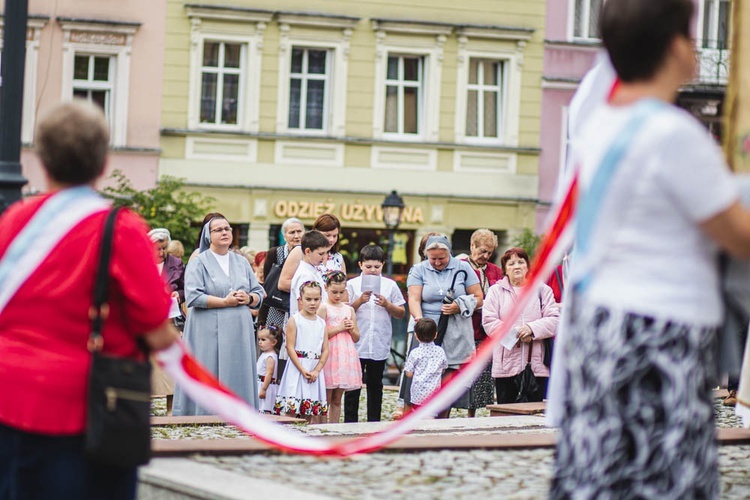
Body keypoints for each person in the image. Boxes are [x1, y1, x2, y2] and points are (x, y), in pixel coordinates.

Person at [548, 0, 750, 495]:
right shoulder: (673, 135)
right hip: (659, 331)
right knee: (665, 476)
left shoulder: (600, 126)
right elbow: (740, 236)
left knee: (606, 473)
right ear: (679, 48)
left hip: (602, 324)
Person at [0, 101, 178, 499]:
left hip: (8, 399)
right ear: (102, 163)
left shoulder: (13, 221)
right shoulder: (121, 228)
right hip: (84, 409)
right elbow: (154, 323)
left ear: (42, 161)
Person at [173, 215, 265, 415]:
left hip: (239, 329)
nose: (224, 232)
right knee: (209, 367)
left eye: (227, 228)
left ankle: (239, 411)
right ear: (208, 235)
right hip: (207, 328)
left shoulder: (241, 262)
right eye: (218, 230)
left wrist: (248, 298)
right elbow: (193, 296)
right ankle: (206, 411)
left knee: (236, 369)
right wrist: (225, 302)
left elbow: (259, 293)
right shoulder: (199, 262)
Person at [407, 235, 482, 418]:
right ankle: (416, 414)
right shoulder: (419, 269)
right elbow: (414, 298)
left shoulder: (463, 267)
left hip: (454, 329)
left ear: (449, 253)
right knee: (421, 373)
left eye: (442, 258)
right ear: (426, 255)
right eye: (433, 259)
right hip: (426, 330)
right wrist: (419, 321)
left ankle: (443, 417)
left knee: (447, 375)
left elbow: (479, 297)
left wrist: (460, 305)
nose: (437, 262)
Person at [481, 247, 559, 404]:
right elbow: (489, 321)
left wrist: (531, 329)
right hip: (506, 364)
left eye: (521, 262)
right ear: (505, 270)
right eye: (511, 264)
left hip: (535, 364)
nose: (516, 266)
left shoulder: (542, 290)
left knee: (533, 413)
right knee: (506, 413)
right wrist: (515, 333)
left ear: (527, 267)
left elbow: (555, 320)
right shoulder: (496, 291)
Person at [345, 244, 406, 422]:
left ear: (382, 265)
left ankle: (373, 421)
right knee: (353, 386)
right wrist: (359, 301)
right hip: (357, 342)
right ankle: (350, 422)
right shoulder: (352, 285)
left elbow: (400, 312)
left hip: (379, 342)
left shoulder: (390, 285)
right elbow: (344, 311)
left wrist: (387, 304)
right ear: (360, 265)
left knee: (375, 384)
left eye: (376, 267)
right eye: (369, 266)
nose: (372, 270)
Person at [462, 229, 503, 417]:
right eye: (482, 251)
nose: (485, 256)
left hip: (486, 331)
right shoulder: (460, 266)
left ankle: (474, 414)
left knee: (482, 376)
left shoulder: (495, 271)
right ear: (472, 246)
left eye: (489, 252)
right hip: (464, 328)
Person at [275, 281, 329, 423]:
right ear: (300, 300)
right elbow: (290, 347)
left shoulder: (322, 323)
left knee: (309, 409)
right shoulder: (295, 320)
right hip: (298, 366)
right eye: (308, 299)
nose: (312, 303)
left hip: (314, 367)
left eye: (316, 299)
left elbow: (325, 349)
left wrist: (317, 370)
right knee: (291, 408)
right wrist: (301, 368)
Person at [148, 227, 185, 416]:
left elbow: (185, 288)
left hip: (171, 321)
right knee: (150, 364)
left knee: (171, 363)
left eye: (163, 248)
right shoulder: (142, 262)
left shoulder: (176, 263)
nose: (161, 252)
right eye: (157, 248)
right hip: (148, 321)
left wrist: (178, 294)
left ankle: (171, 407)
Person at [319, 271, 361, 423]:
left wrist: (350, 329)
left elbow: (356, 337)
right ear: (326, 288)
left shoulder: (348, 309)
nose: (338, 295)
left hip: (345, 355)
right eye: (334, 292)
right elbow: (319, 335)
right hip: (330, 354)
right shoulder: (323, 308)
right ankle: (322, 426)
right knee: (326, 397)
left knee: (337, 398)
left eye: (341, 292)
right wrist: (339, 328)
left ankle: (334, 426)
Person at [278, 214, 346, 296]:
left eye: (335, 236)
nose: (331, 239)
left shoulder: (337, 257)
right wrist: (314, 288)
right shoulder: (300, 251)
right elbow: (283, 283)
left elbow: (343, 286)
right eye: (327, 235)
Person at [259, 217, 305, 328]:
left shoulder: (308, 253)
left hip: (301, 306)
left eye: (299, 231)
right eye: (292, 232)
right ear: (284, 236)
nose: (296, 236)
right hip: (276, 307)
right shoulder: (274, 253)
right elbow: (268, 284)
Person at [403, 318, 448, 412]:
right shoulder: (440, 351)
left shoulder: (415, 353)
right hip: (434, 393)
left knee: (418, 414)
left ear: (416, 336)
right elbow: (443, 369)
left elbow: (409, 374)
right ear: (435, 334)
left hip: (418, 393)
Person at [289, 231, 330, 315]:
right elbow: (303, 307)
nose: (324, 257)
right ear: (307, 251)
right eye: (321, 253)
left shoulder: (312, 270)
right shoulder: (305, 275)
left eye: (326, 253)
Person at [256, 326, 281, 414]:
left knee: (265, 408)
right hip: (260, 384)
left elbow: (269, 374)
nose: (260, 342)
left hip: (266, 386)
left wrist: (263, 389)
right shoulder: (264, 354)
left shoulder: (270, 357)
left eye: (263, 340)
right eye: (259, 339)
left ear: (273, 342)